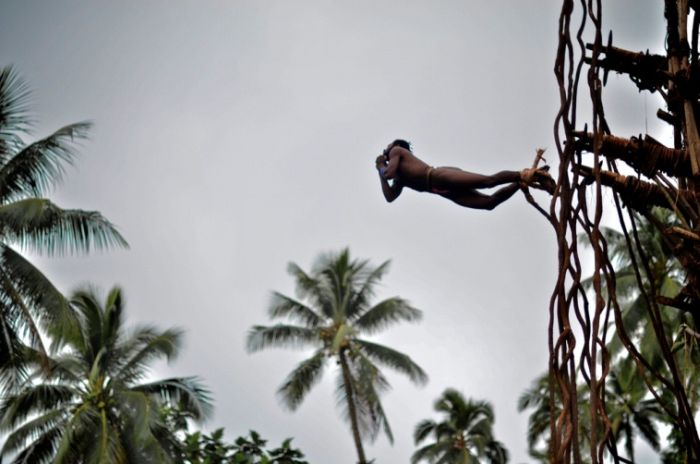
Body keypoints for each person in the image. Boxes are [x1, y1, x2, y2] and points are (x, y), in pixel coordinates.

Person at [375, 139, 552, 210]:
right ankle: (520, 183)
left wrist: (382, 165)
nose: (386, 148)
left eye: (387, 146)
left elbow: (388, 173)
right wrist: (379, 172)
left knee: (487, 181)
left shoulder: (396, 151)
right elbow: (390, 197)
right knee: (488, 204)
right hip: (441, 190)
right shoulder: (400, 178)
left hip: (440, 176)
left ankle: (525, 174)